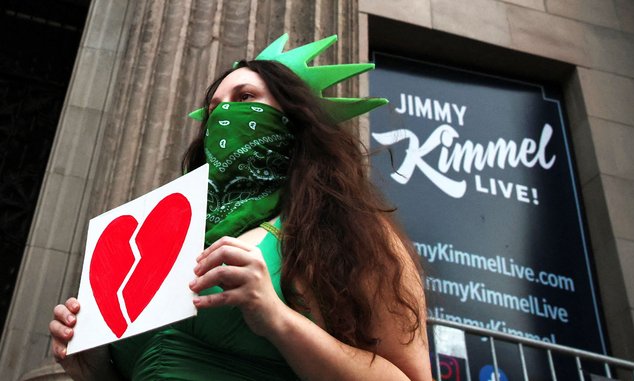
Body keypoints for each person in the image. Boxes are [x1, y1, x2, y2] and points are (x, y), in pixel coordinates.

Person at [49, 34, 432, 380]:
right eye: (213, 108)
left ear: (294, 117)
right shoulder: (168, 236)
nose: (222, 116)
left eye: (245, 98)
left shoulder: (344, 231)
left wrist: (276, 318)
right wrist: (91, 366)